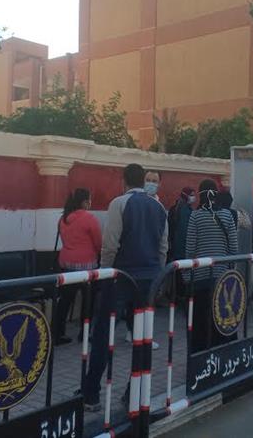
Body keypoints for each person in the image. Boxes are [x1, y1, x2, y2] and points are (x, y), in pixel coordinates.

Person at [81, 163, 167, 411]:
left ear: (124, 181)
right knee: (143, 335)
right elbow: (163, 247)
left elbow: (110, 244)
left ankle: (91, 393)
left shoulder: (119, 203)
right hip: (149, 278)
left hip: (121, 276)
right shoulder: (159, 208)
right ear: (143, 181)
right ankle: (134, 392)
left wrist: (105, 273)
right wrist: (158, 276)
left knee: (103, 334)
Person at [185, 179, 238, 352]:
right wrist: (230, 271)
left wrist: (187, 277)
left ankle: (200, 354)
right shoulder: (227, 215)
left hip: (200, 277)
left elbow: (190, 249)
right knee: (221, 317)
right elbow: (234, 248)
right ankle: (223, 352)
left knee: (201, 319)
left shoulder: (195, 216)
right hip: (222, 277)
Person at [55, 188, 101, 345]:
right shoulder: (90, 218)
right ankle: (85, 333)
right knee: (88, 302)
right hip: (87, 266)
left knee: (65, 300)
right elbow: (98, 242)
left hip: (66, 264)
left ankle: (57, 333)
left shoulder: (63, 218)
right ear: (85, 202)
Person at [167, 187, 195, 262]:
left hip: (175, 246)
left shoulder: (177, 207)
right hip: (182, 248)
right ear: (186, 196)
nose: (193, 197)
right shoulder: (185, 209)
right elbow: (184, 230)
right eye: (191, 195)